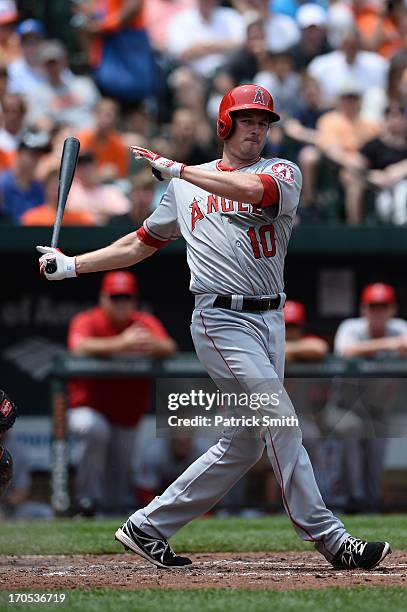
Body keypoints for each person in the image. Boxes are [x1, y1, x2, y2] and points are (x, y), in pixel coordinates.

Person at [37, 84, 391, 570]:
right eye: (247, 120)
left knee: (245, 442)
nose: (257, 129)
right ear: (225, 124)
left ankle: (147, 526)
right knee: (282, 420)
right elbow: (141, 243)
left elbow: (252, 191)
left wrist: (181, 171)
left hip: (271, 318)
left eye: (264, 122)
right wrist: (72, 264)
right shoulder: (186, 184)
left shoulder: (281, 171)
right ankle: (332, 539)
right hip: (219, 317)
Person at [67, 271, 177, 514]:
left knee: (119, 475)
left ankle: (110, 518)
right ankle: (87, 503)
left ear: (134, 299)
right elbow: (78, 346)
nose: (120, 302)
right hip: (90, 408)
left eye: (125, 297)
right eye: (115, 297)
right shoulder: (88, 320)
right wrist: (123, 344)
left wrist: (152, 345)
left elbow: (169, 347)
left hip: (127, 413)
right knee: (93, 429)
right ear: (103, 298)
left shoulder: (143, 323)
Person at [331, 282, 407, 513]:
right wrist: (392, 345)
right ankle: (352, 500)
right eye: (373, 306)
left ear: (392, 309)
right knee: (350, 429)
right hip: (345, 407)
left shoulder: (400, 326)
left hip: (378, 409)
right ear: (364, 309)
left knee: (375, 461)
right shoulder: (351, 327)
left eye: (383, 306)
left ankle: (369, 504)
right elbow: (345, 351)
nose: (378, 312)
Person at [20, 167, 93, 226]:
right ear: (46, 188)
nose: (57, 191)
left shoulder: (81, 219)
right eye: (53, 187)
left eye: (62, 187)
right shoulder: (31, 218)